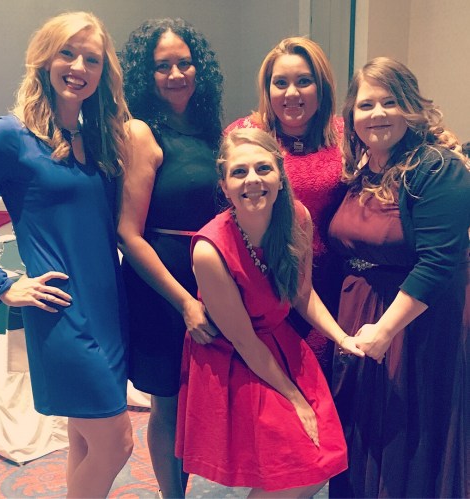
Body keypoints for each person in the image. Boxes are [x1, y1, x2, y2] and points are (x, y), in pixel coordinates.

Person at [0, 12, 133, 498]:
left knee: (84, 438)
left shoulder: (97, 137)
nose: (79, 67)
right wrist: (3, 284)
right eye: (67, 53)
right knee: (117, 443)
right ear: (44, 58)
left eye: (92, 59)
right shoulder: (10, 135)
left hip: (108, 310)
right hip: (62, 313)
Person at [176, 128, 364, 498]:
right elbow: (244, 340)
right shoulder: (209, 249)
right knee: (298, 467)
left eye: (263, 168)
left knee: (318, 461)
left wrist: (341, 337)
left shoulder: (297, 217)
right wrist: (295, 399)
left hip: (281, 346)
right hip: (235, 359)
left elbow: (302, 294)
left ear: (280, 175)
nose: (253, 180)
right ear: (225, 185)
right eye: (239, 172)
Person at [328, 57, 470, 498]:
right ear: (351, 116)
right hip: (361, 318)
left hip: (412, 329)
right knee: (363, 437)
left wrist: (386, 330)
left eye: (389, 102)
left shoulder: (437, 168)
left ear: (410, 107)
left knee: (406, 444)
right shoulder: (360, 171)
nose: (378, 114)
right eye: (366, 104)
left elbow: (438, 262)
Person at [118, 18, 223, 498]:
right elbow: (127, 234)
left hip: (210, 279)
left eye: (185, 62)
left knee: (201, 398)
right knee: (169, 403)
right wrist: (184, 303)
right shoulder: (141, 132)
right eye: (163, 66)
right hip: (163, 288)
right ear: (147, 75)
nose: (177, 74)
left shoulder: (209, 130)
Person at [225, 37, 345, 380]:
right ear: (267, 89)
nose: (292, 93)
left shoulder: (344, 134)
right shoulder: (244, 134)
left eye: (304, 81)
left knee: (320, 380)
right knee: (267, 383)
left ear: (321, 86)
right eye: (280, 83)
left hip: (328, 283)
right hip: (263, 280)